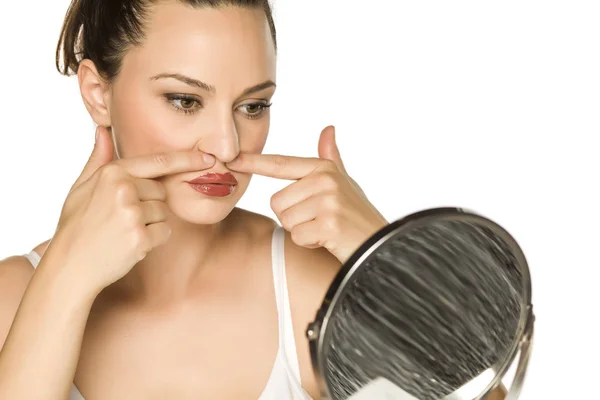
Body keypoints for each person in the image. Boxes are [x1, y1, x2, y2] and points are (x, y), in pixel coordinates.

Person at [0, 1, 507, 399]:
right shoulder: (14, 297)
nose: (226, 145)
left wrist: (378, 252)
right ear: (97, 93)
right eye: (185, 101)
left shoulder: (307, 287)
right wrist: (65, 278)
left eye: (252, 106)